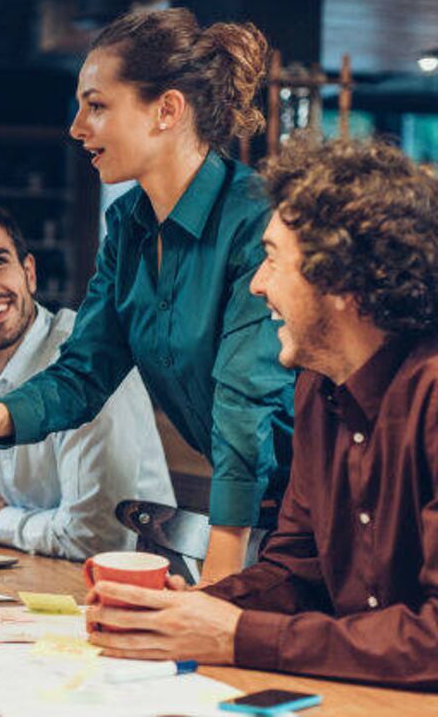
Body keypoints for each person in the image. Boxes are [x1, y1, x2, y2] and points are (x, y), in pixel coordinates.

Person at [0, 8, 295, 582]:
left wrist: (218, 592)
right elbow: (83, 372)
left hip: (322, 504)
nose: (77, 127)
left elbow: (244, 406)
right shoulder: (127, 226)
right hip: (265, 520)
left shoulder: (255, 217)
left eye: (97, 106)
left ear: (167, 111)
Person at [85, 136, 438, 690]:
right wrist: (201, 608)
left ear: (340, 279)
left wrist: (236, 634)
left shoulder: (431, 396)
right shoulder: (318, 389)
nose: (257, 284)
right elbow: (298, 568)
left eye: (272, 259)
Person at [0, 200, 173, 560]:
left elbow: (98, 539)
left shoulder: (90, 359)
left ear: (29, 273)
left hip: (136, 581)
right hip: (32, 572)